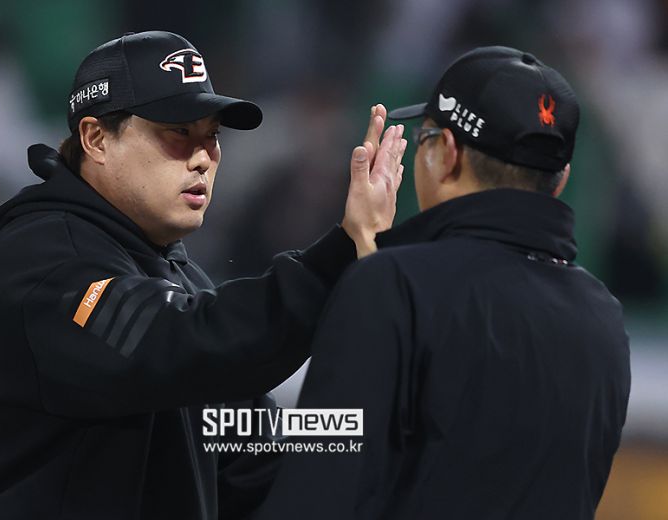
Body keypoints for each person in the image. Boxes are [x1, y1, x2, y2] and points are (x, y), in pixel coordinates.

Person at [0, 31, 406, 519]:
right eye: (178, 131)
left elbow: (252, 447)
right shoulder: (44, 261)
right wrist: (340, 251)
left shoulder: (179, 279)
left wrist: (370, 436)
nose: (203, 157)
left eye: (212, 136)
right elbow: (182, 344)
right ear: (96, 139)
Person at [253, 46, 631, 520]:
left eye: (424, 139)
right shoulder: (603, 315)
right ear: (559, 180)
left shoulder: (394, 288)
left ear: (446, 153)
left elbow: (315, 494)